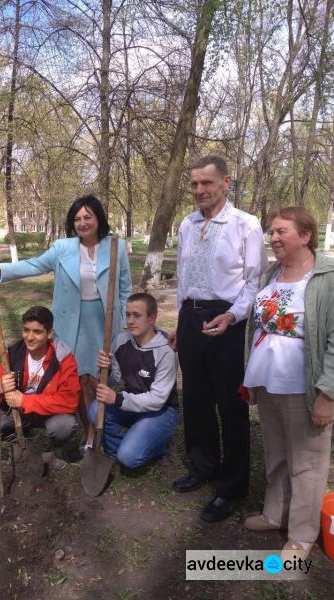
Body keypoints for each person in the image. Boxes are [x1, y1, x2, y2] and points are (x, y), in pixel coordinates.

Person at [0, 195, 132, 455]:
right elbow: (34, 265)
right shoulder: (63, 248)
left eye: (88, 217)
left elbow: (125, 288)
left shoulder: (116, 246)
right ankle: (90, 433)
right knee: (81, 378)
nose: (82, 223)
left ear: (98, 219)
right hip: (73, 321)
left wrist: (127, 321)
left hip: (104, 320)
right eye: (77, 219)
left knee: (100, 377)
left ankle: (106, 426)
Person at [171, 155, 268, 523]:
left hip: (228, 318)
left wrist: (232, 315)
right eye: (194, 184)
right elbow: (182, 274)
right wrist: (180, 322)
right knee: (195, 398)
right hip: (190, 318)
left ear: (225, 182)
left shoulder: (246, 224)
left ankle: (232, 486)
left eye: (206, 183)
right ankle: (203, 466)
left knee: (230, 403)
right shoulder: (186, 223)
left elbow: (254, 281)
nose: (199, 190)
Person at [243, 207, 334, 560]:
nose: (274, 237)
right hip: (268, 381)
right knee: (276, 454)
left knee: (308, 462)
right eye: (272, 231)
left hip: (304, 387)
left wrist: (328, 394)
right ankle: (275, 513)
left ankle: (302, 535)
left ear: (306, 235)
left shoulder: (326, 278)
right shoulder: (272, 272)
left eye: (281, 231)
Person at [0, 306, 80, 452]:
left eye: (37, 332)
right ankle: (18, 439)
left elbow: (69, 401)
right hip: (16, 411)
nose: (30, 337)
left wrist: (24, 401)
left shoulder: (63, 358)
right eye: (26, 330)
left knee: (64, 425)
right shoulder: (14, 353)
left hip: (47, 413)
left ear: (49, 334)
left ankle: (52, 449)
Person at [88, 293, 179, 468]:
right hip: (132, 403)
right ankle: (116, 453)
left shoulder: (166, 351)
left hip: (161, 411)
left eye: (137, 315)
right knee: (94, 409)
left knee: (130, 457)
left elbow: (157, 400)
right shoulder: (121, 341)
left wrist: (118, 399)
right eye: (128, 315)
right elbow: (114, 381)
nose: (130, 321)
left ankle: (158, 445)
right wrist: (104, 369)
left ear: (152, 318)